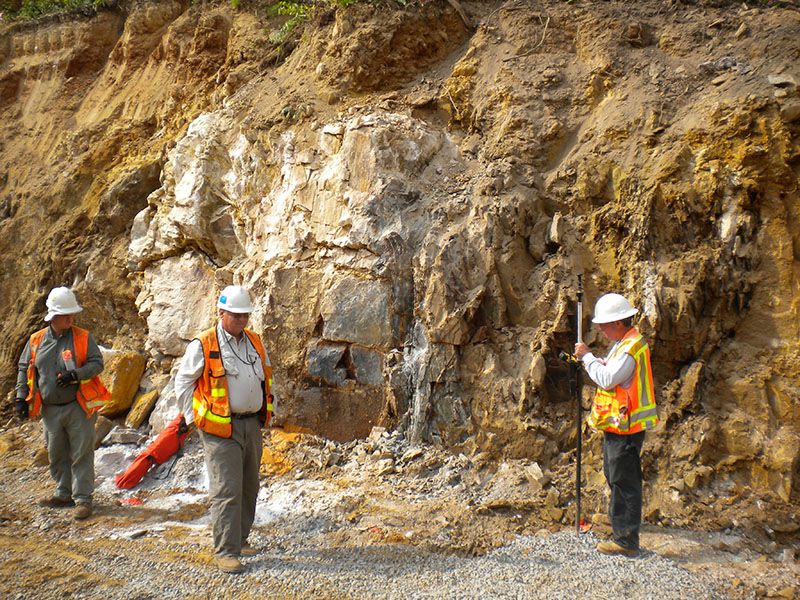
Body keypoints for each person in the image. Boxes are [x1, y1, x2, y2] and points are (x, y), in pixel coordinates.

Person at [174, 285, 274, 574]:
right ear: (221, 313)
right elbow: (183, 382)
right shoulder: (204, 343)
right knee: (227, 490)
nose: (242, 320)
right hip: (220, 428)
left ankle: (240, 539)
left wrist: (269, 408)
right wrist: (192, 418)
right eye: (236, 315)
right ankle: (226, 551)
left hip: (251, 424)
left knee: (249, 486)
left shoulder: (254, 341)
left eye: (245, 315)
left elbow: (266, 377)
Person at [574, 292, 658, 557]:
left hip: (626, 426)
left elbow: (608, 379)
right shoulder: (625, 343)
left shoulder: (630, 348)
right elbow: (614, 373)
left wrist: (587, 357)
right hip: (619, 425)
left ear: (618, 323)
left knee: (624, 481)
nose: (600, 329)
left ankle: (626, 541)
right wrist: (597, 361)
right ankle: (621, 527)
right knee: (616, 477)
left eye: (604, 325)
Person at [15, 287, 110, 520]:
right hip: (50, 409)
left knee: (81, 453)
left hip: (78, 406)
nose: (71, 319)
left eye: (72, 314)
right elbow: (24, 368)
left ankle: (83, 499)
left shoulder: (83, 337)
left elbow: (97, 364)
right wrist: (20, 397)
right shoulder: (36, 340)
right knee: (56, 452)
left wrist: (75, 374)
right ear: (53, 316)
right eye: (66, 315)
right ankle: (63, 493)